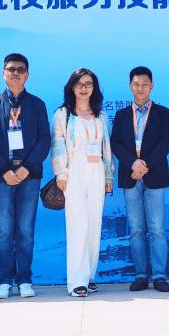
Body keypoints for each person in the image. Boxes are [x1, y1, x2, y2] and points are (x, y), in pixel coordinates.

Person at [0, 53, 51, 300]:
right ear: (3, 74)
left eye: (20, 69)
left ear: (27, 74)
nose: (16, 73)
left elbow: (44, 139)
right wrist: (4, 169)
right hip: (0, 178)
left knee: (25, 231)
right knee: (3, 231)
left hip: (29, 176)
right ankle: (4, 280)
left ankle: (24, 280)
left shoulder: (37, 104)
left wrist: (26, 168)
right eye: (11, 69)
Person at [110, 66, 169, 292]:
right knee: (136, 229)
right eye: (136, 84)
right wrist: (133, 163)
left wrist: (144, 165)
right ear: (130, 86)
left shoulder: (163, 113)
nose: (140, 88)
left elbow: (165, 144)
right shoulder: (121, 115)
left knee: (157, 228)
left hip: (154, 175)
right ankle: (140, 275)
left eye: (144, 84)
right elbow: (116, 143)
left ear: (152, 86)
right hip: (130, 176)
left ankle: (159, 275)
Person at [51, 68, 113, 297]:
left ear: (94, 88)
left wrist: (108, 176)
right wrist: (61, 174)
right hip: (74, 173)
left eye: (88, 84)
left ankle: (89, 276)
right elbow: (58, 146)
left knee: (94, 224)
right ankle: (77, 281)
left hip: (97, 172)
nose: (84, 88)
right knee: (77, 224)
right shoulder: (63, 115)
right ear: (72, 87)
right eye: (79, 84)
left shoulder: (101, 116)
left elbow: (107, 149)